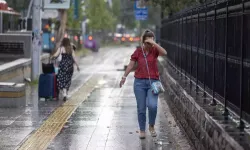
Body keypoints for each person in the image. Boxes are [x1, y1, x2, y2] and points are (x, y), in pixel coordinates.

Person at [120, 29, 167, 139]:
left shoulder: (155, 50)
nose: (149, 45)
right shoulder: (138, 52)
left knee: (152, 105)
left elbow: (164, 53)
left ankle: (151, 125)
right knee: (141, 108)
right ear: (143, 41)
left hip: (153, 82)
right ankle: (142, 130)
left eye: (151, 41)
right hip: (139, 83)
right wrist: (124, 77)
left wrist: (154, 43)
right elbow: (131, 65)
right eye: (147, 42)